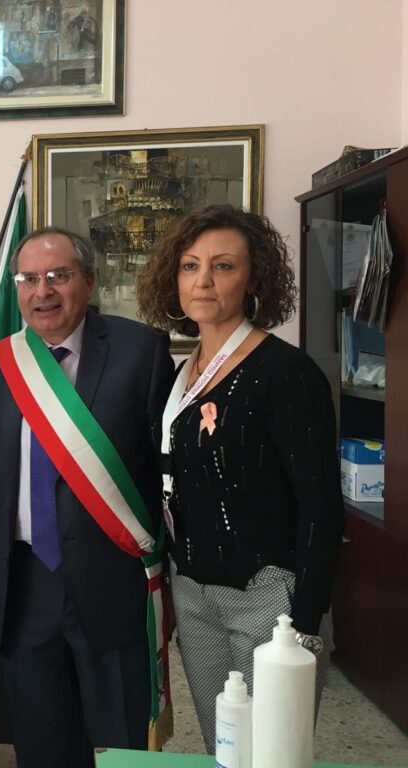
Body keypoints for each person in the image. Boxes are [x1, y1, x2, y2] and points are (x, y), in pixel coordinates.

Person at [136, 203, 344, 753]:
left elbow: (321, 504)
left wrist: (305, 621)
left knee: (272, 752)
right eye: (190, 266)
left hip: (269, 595)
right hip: (193, 591)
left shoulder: (287, 373)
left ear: (254, 279)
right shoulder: (181, 373)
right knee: (224, 745)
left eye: (223, 266)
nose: (203, 280)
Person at [0, 227, 173, 768]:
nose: (43, 291)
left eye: (59, 275)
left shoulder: (141, 351)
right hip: (22, 582)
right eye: (29, 278)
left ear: (89, 280)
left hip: (113, 580)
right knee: (41, 744)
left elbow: (167, 470)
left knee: (121, 745)